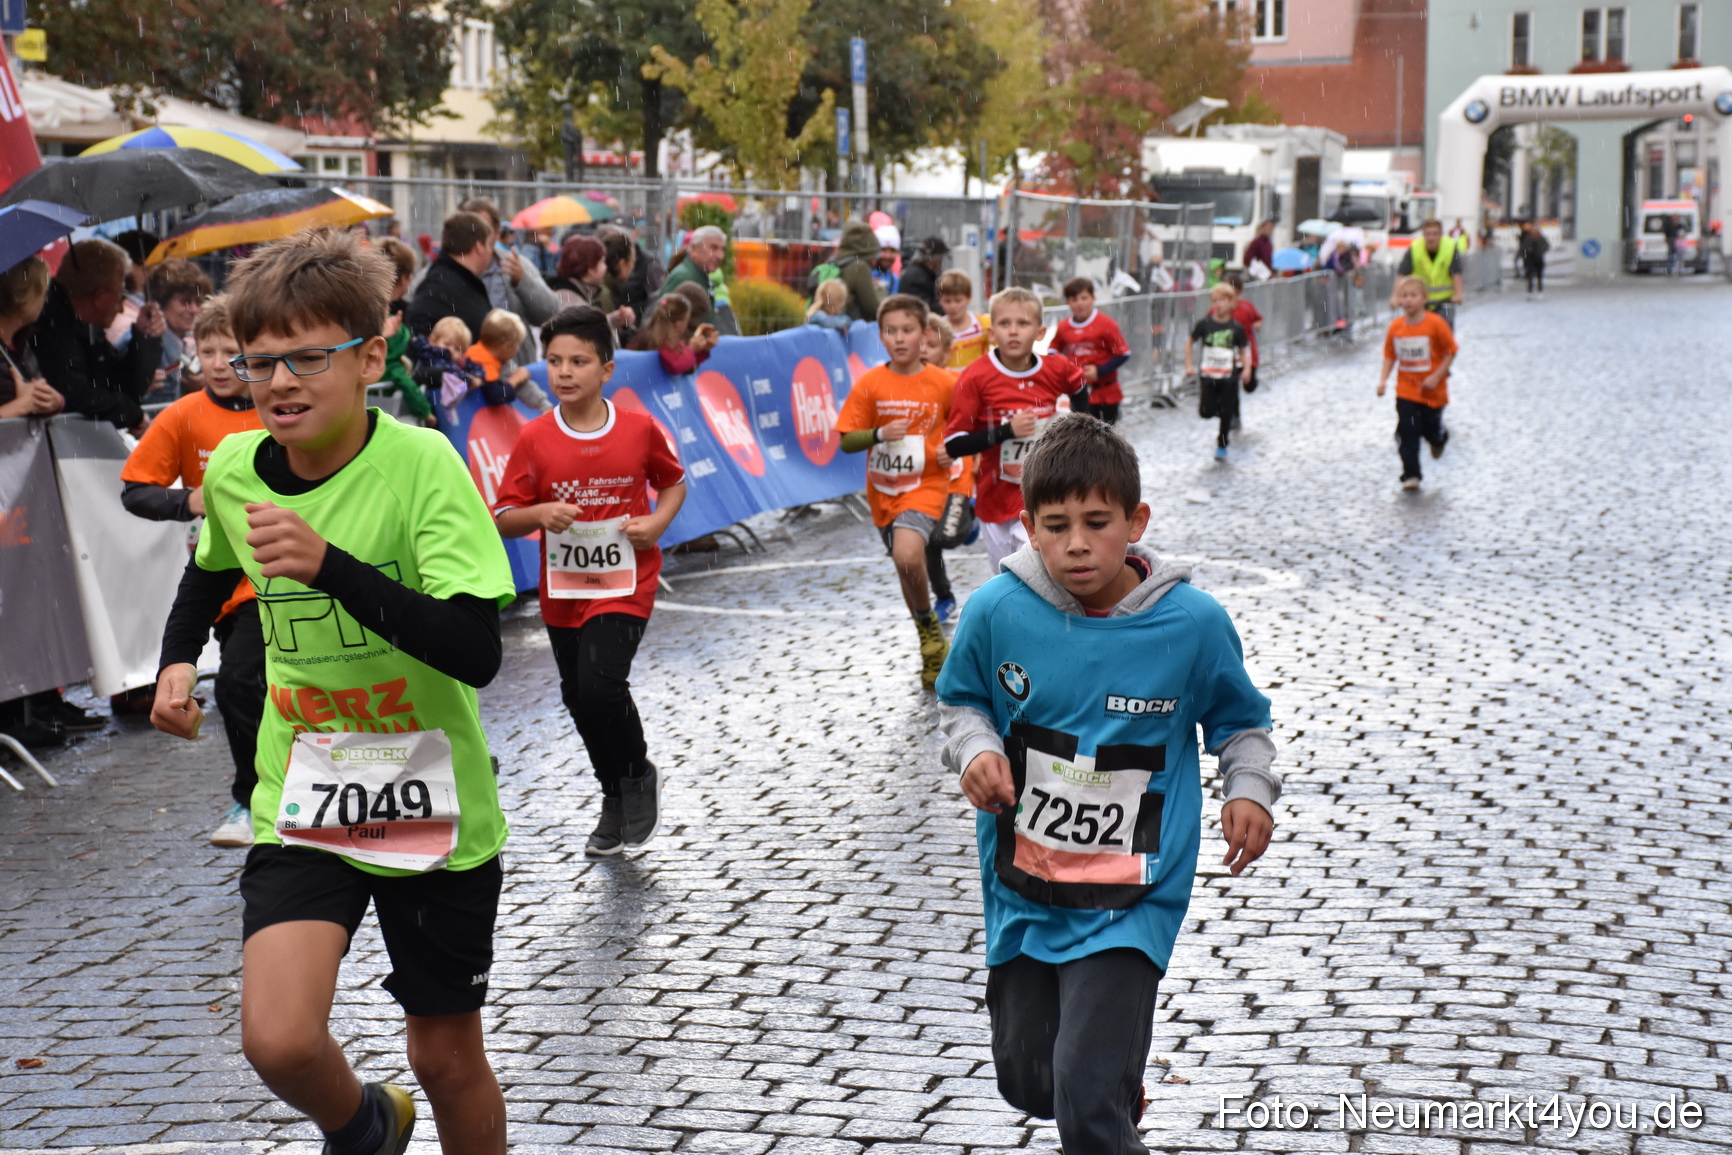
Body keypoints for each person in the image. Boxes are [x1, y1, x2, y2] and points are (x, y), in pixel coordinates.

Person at [148, 227, 516, 1151]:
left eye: (308, 359)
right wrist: (178, 657)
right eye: (258, 362)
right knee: (276, 1036)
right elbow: (209, 565)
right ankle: (363, 1123)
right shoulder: (234, 470)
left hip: (432, 796)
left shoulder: (423, 464)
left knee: (442, 1056)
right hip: (302, 785)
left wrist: (330, 567)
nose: (278, 383)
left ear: (369, 359)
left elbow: (476, 649)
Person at [937, 413, 1277, 1155]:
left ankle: (1104, 1093)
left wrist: (1246, 786)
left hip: (1134, 894)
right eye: (1056, 526)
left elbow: (1240, 722)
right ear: (1027, 527)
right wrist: (974, 752)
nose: (1077, 543)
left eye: (1097, 522)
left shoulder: (1190, 624)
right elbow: (961, 700)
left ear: (1136, 520)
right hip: (1027, 884)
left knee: (1084, 1106)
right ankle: (1114, 1081)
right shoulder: (997, 611)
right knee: (1031, 1082)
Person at [492, 305, 687, 855]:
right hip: (565, 590)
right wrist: (540, 515)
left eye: (579, 361)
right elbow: (504, 515)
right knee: (579, 696)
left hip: (627, 582)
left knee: (602, 684)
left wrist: (657, 522)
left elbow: (673, 484)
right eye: (554, 361)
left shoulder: (638, 429)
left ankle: (636, 774)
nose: (565, 373)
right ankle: (612, 794)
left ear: (607, 369)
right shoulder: (534, 438)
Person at [120, 296, 266, 847]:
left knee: (247, 682)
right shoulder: (181, 417)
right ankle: (253, 799)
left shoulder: (276, 406)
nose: (220, 361)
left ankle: (265, 794)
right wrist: (189, 500)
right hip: (223, 582)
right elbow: (135, 492)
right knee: (240, 684)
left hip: (289, 578)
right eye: (208, 350)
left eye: (233, 351)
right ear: (193, 353)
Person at [835, 294, 957, 688]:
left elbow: (964, 430)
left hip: (926, 485)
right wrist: (877, 434)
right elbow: (847, 441)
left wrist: (952, 454)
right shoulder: (871, 383)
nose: (900, 339)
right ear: (881, 335)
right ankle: (929, 639)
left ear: (924, 334)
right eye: (891, 331)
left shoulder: (943, 383)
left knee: (908, 553)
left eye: (908, 330)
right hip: (884, 490)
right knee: (906, 569)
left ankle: (929, 634)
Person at [943, 287, 1087, 572]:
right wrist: (1006, 431)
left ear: (1040, 332)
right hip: (994, 497)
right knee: (1006, 581)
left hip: (1044, 496)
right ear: (992, 332)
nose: (1013, 331)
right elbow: (954, 445)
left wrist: (1079, 428)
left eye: (1023, 324)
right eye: (1005, 324)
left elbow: (1079, 385)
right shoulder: (976, 376)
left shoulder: (1057, 367)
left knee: (1039, 575)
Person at [29, 238, 166, 432]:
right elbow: (75, 394)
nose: (121, 308)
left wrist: (145, 338)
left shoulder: (90, 326)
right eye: (120, 296)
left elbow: (123, 385)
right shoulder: (48, 326)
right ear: (100, 298)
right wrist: (131, 414)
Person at [1377, 275, 1457, 491]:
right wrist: (1383, 380)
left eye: (1413, 295)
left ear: (1424, 299)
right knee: (1407, 430)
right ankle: (1411, 474)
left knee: (1431, 429)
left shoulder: (1436, 324)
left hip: (1433, 392)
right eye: (1404, 296)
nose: (1408, 300)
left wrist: (1437, 376)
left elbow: (1451, 351)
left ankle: (1439, 439)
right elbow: (1390, 355)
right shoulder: (1395, 327)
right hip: (1407, 390)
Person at [456, 196, 559, 363]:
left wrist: (522, 281)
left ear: (496, 234)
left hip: (515, 374)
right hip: (464, 374)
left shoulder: (515, 264)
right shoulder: (446, 271)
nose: (475, 237)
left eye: (483, 230)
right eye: (468, 230)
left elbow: (549, 313)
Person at [1050, 278, 1131, 425]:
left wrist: (1099, 371)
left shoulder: (1106, 324)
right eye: (1074, 299)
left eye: (1084, 298)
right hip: (1079, 392)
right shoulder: (1063, 327)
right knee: (1083, 435)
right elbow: (1052, 351)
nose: (1079, 303)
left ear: (1093, 298)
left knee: (1106, 436)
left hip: (1106, 391)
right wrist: (1066, 369)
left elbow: (1123, 353)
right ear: (1068, 302)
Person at [405, 212, 494, 344]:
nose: (491, 251)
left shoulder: (458, 278)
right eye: (489, 244)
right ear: (479, 247)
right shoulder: (439, 283)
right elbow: (417, 322)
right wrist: (441, 360)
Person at [375, 238, 436, 425]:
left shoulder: (361, 308)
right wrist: (425, 411)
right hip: (385, 408)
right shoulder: (394, 323)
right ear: (403, 279)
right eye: (409, 277)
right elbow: (396, 371)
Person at [1186, 283, 1248, 462]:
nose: (1218, 304)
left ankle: (1222, 444)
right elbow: (1189, 342)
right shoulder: (1205, 324)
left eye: (1222, 300)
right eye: (1215, 300)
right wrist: (1189, 365)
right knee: (1205, 411)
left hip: (1229, 376)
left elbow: (1244, 349)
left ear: (1231, 303)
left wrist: (1247, 369)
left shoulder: (1236, 327)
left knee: (1227, 411)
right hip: (1208, 375)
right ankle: (1223, 413)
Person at [0, 256, 64, 421]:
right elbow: (23, 402)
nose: (45, 299)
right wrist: (21, 405)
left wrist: (54, 402)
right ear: (21, 295)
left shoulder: (21, 342)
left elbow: (33, 394)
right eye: (42, 292)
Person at [144, 259, 212, 399]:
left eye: (198, 302)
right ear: (161, 302)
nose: (194, 310)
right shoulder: (145, 343)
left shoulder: (184, 340)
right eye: (185, 302)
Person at [465, 309, 552, 413]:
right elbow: (496, 397)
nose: (518, 350)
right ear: (507, 347)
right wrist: (513, 381)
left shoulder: (473, 351)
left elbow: (524, 385)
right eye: (517, 345)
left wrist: (543, 405)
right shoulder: (484, 363)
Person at [1394, 219, 1463, 329]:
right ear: (1423, 235)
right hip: (1420, 302)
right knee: (1418, 330)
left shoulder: (1450, 247)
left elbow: (1456, 273)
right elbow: (1402, 274)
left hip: (1444, 301)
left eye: (1435, 234)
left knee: (1445, 331)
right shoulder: (1415, 248)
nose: (1431, 238)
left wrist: (1458, 294)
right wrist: (1396, 297)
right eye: (1428, 234)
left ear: (1441, 235)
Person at [657, 225, 728, 328]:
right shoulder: (684, 277)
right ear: (694, 248)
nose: (720, 256)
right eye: (713, 248)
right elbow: (665, 325)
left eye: (722, 249)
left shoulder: (698, 275)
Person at [631, 294, 719, 377]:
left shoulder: (670, 339)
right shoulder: (658, 340)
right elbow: (676, 365)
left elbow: (687, 368)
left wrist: (701, 350)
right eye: (686, 320)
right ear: (679, 324)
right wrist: (691, 349)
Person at [820, 220, 885, 323]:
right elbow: (873, 309)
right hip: (849, 330)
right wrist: (880, 290)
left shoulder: (834, 260)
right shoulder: (860, 267)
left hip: (830, 323)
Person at [937, 271, 991, 369]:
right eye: (947, 301)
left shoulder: (984, 324)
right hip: (950, 381)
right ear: (939, 300)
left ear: (969, 298)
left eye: (958, 300)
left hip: (978, 380)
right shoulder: (936, 329)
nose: (953, 306)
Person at [1225, 274, 1264, 393]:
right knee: (1230, 384)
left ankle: (1251, 379)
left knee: (1249, 386)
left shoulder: (1246, 307)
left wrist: (1257, 324)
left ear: (1239, 292)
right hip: (1228, 349)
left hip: (1247, 348)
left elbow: (1258, 318)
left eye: (1235, 293)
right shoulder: (1221, 309)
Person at [897, 236, 950, 308]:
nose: (941, 264)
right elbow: (925, 307)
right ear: (932, 260)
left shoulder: (923, 274)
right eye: (940, 259)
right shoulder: (918, 278)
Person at [1517, 222, 1549, 300]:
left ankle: (1540, 291)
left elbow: (1546, 247)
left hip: (1538, 259)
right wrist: (1525, 255)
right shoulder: (1528, 239)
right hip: (1529, 260)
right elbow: (1523, 249)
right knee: (1530, 276)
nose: (1534, 232)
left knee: (1539, 276)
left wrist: (1539, 251)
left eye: (1536, 230)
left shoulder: (1541, 239)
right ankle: (1529, 291)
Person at [871, 224, 902, 294]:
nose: (888, 256)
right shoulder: (866, 274)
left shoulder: (894, 280)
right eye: (883, 250)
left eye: (892, 251)